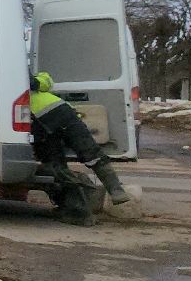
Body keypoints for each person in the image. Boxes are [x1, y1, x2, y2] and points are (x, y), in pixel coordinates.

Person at [28, 71, 131, 220]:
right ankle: (85, 204)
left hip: (50, 119)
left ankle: (113, 192)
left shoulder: (21, 73)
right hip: (46, 123)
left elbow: (47, 80)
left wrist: (35, 82)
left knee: (71, 159)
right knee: (60, 164)